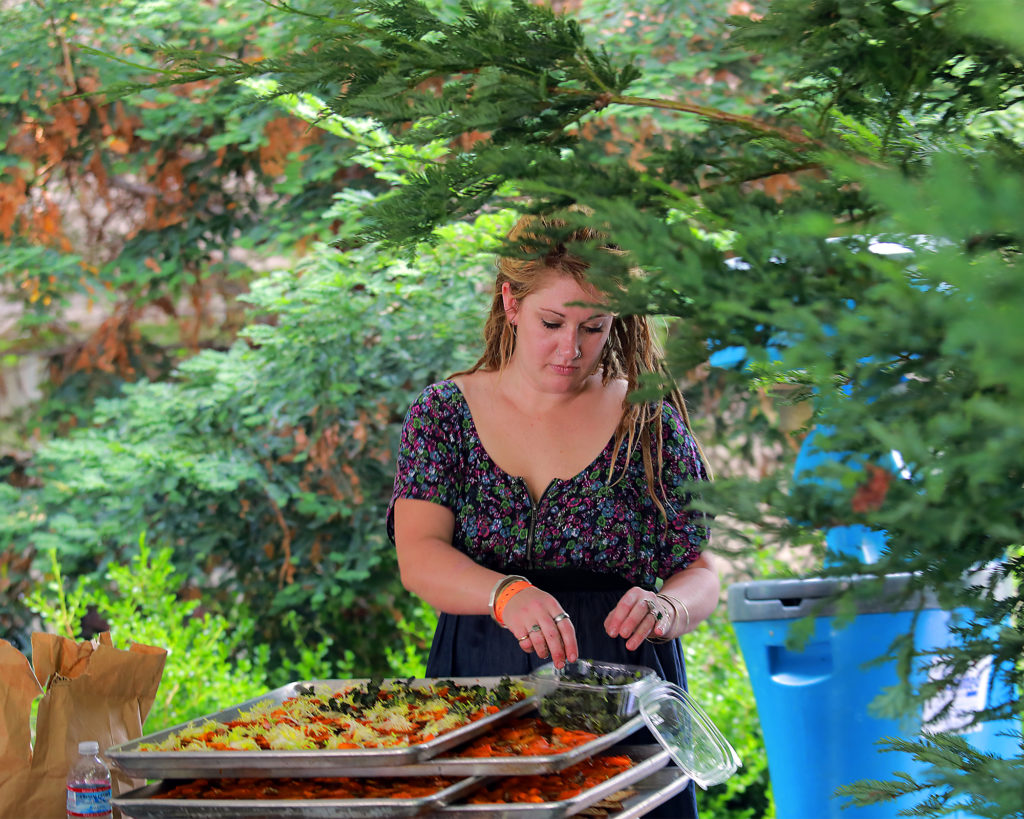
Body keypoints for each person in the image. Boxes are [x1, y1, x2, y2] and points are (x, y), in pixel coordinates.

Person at [386, 212, 718, 818]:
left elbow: (700, 571)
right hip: (480, 684)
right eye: (552, 322)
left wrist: (668, 607)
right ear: (511, 302)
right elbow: (420, 556)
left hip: (627, 697)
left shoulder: (648, 420)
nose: (572, 348)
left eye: (594, 326)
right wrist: (505, 594)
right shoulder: (444, 413)